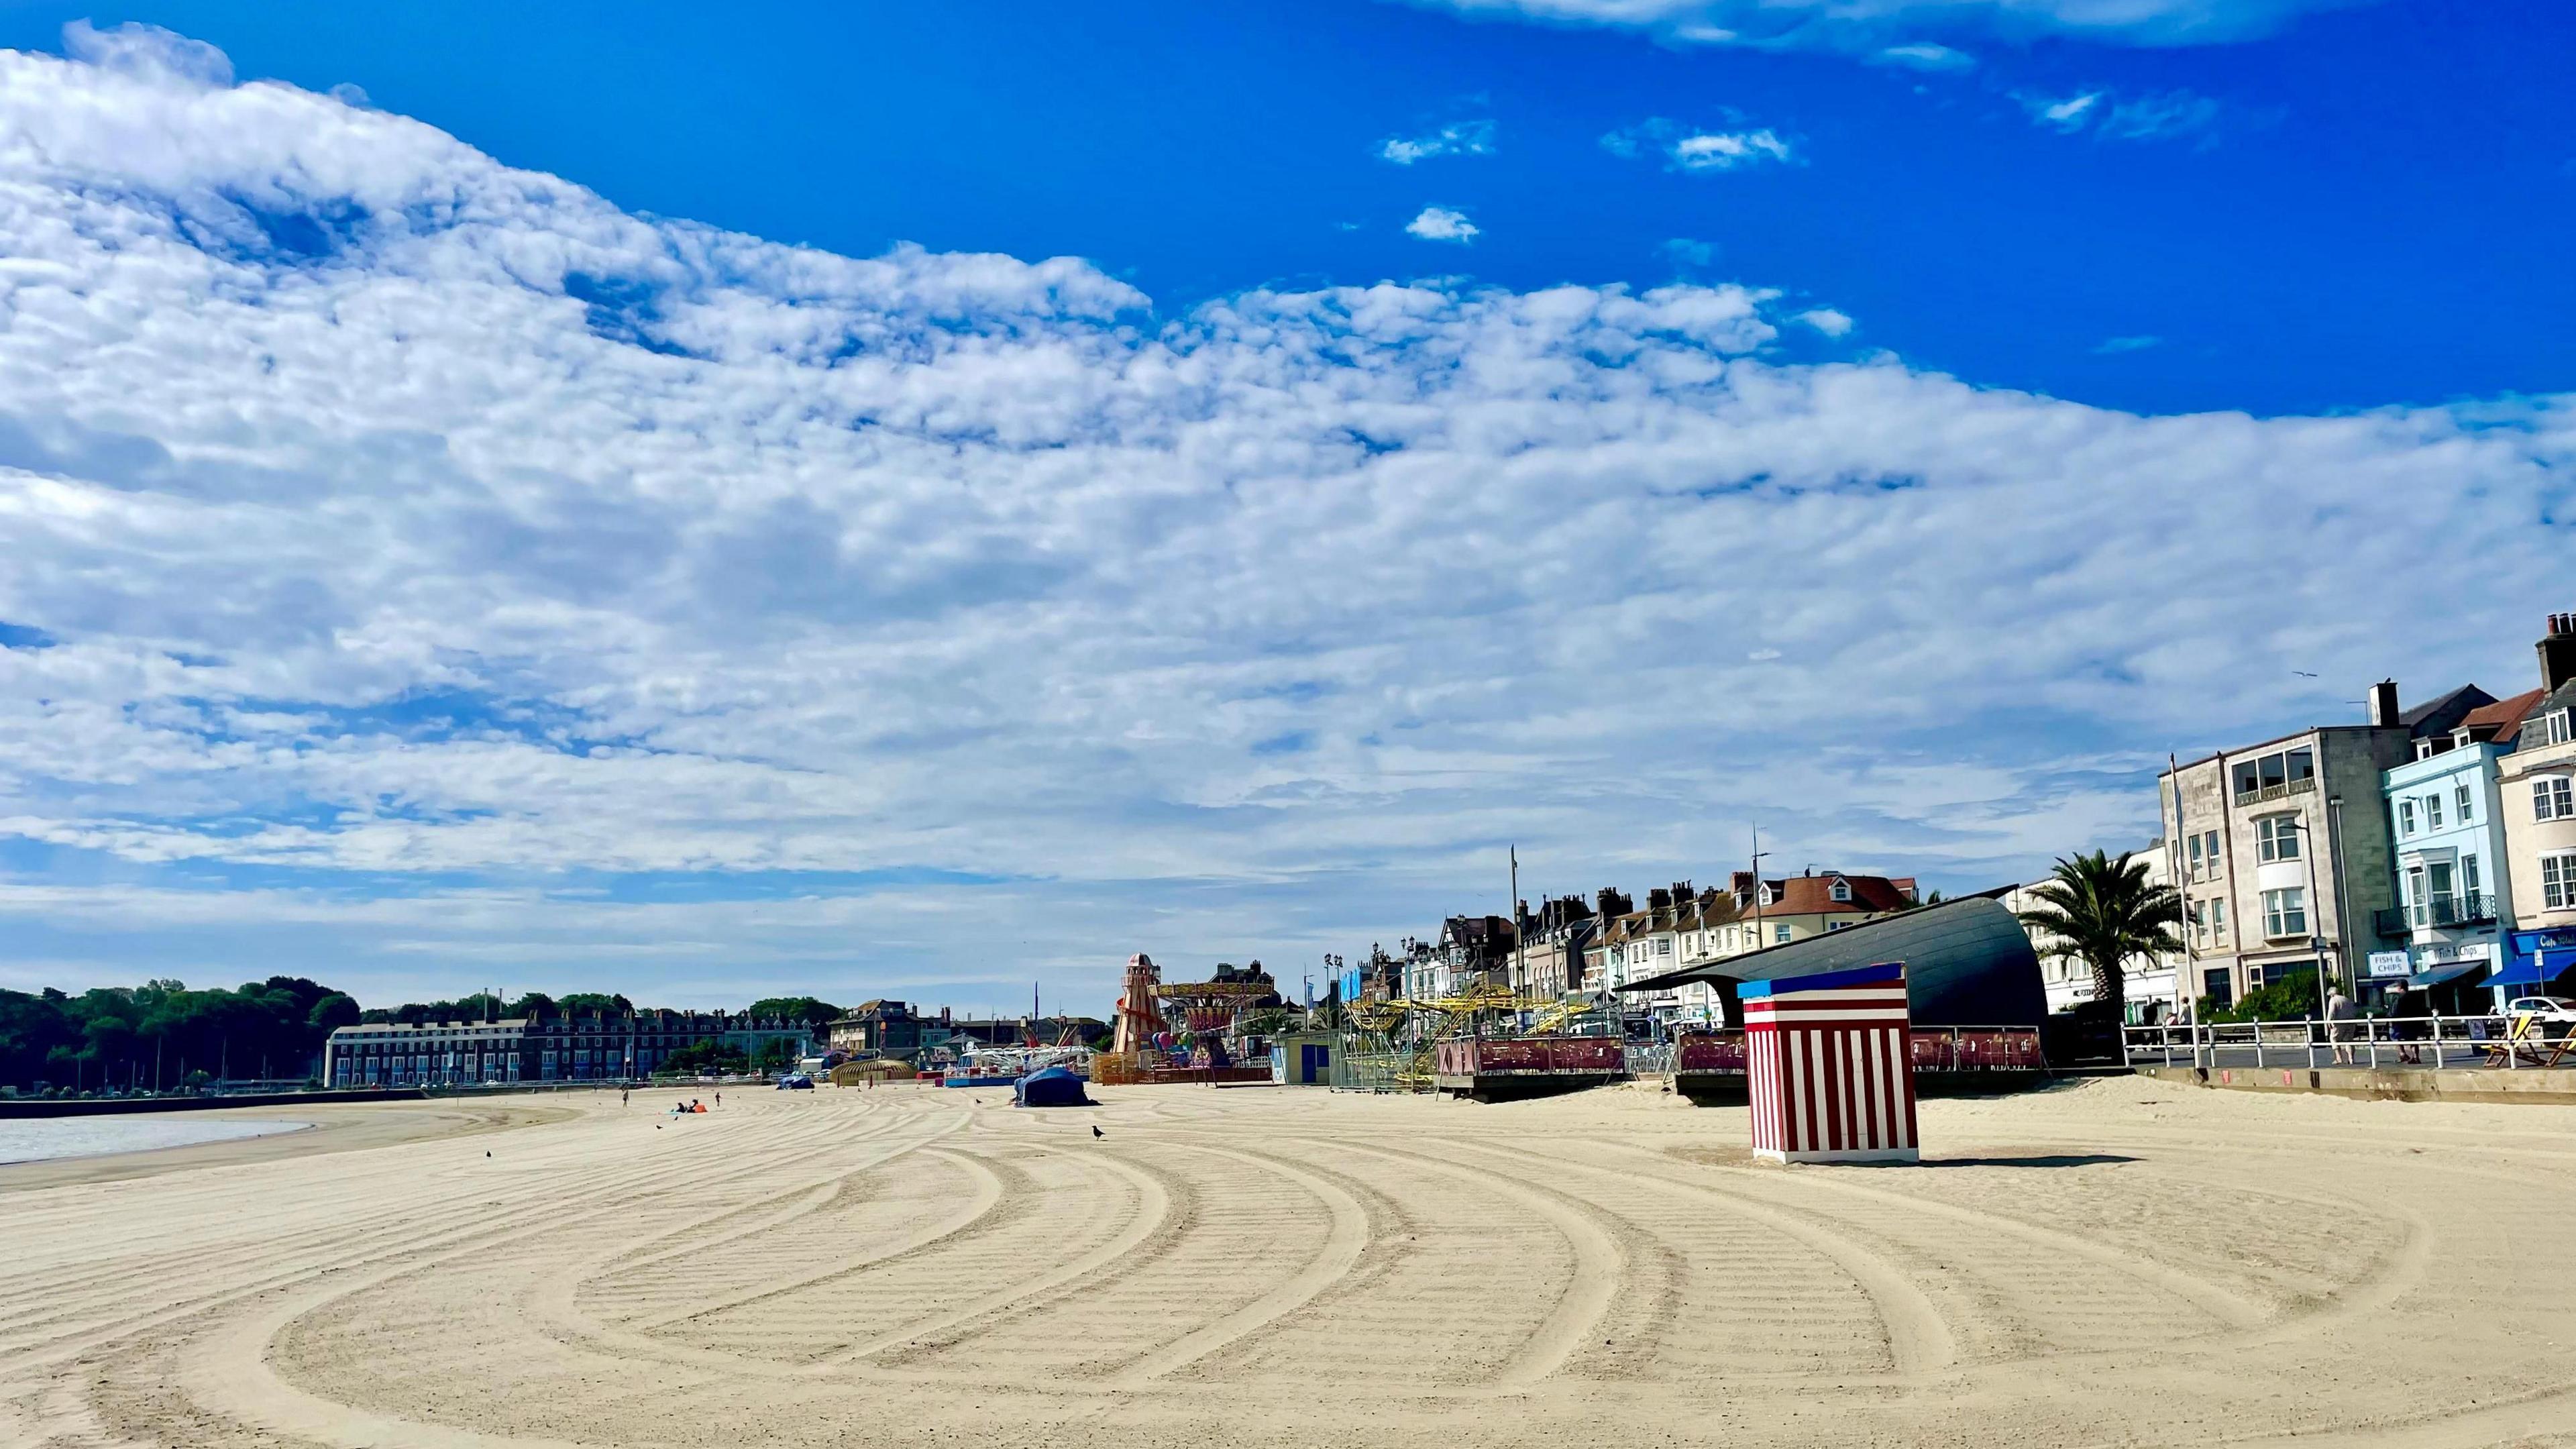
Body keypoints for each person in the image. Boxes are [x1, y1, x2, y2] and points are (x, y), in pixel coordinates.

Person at [2327, 987, 2359, 1064]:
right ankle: (2351, 1058)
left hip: (2339, 1022)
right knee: (2349, 1040)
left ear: (2332, 994)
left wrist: (2328, 1021)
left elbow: (2331, 1012)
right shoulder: (2346, 999)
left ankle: (2339, 1058)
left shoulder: (2333, 1000)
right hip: (2351, 1022)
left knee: (2333, 1038)